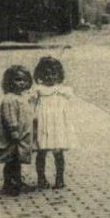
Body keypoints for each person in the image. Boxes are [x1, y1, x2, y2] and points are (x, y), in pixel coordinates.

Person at [0, 65, 34, 196]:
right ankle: (9, 183)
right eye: (18, 80)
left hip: (21, 134)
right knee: (11, 160)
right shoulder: (9, 99)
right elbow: (10, 116)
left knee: (17, 159)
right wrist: (14, 130)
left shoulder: (21, 97)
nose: (22, 83)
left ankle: (17, 180)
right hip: (13, 135)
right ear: (9, 82)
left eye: (24, 80)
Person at [32, 56, 74, 191]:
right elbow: (31, 105)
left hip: (57, 126)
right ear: (40, 75)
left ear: (59, 75)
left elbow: (66, 108)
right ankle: (41, 178)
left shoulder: (62, 90)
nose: (50, 77)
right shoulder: (38, 90)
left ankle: (60, 178)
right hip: (43, 125)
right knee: (41, 152)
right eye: (46, 74)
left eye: (53, 74)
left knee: (58, 152)